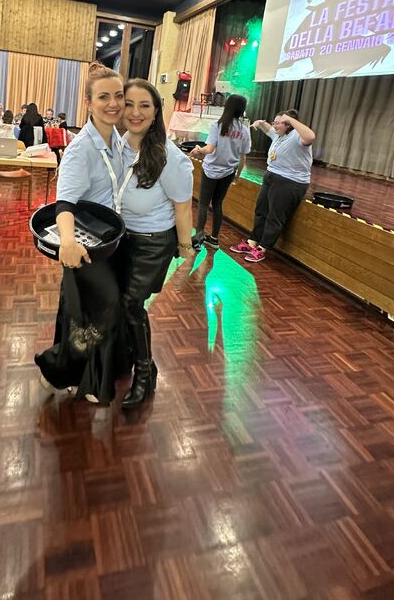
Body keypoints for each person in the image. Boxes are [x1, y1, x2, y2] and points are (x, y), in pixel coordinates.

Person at [34, 64, 127, 404]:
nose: (113, 103)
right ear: (88, 102)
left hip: (110, 240)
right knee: (98, 306)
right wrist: (69, 242)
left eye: (118, 96)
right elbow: (64, 204)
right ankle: (59, 369)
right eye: (103, 97)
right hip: (85, 244)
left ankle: (84, 373)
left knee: (85, 308)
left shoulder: (117, 139)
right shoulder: (81, 149)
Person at [117, 79, 194, 408]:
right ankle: (129, 357)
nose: (135, 112)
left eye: (144, 105)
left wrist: (186, 249)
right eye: (129, 104)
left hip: (152, 242)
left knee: (131, 304)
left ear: (156, 111)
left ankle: (145, 372)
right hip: (121, 238)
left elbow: (183, 207)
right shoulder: (118, 145)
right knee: (121, 303)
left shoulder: (169, 156)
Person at [230, 109, 315, 263]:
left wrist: (291, 120)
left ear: (289, 125)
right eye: (274, 122)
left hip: (290, 181)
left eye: (278, 123)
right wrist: (261, 123)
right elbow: (269, 129)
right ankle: (252, 242)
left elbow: (311, 136)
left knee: (275, 216)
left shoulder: (297, 136)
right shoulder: (279, 135)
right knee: (261, 210)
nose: (275, 125)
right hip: (272, 175)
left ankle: (263, 248)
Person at [190, 94, 251, 249]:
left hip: (211, 170)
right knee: (217, 204)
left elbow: (209, 149)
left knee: (203, 204)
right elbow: (243, 157)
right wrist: (237, 176)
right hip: (228, 172)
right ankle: (214, 239)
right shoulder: (245, 131)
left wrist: (198, 150)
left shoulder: (217, 126)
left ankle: (198, 238)